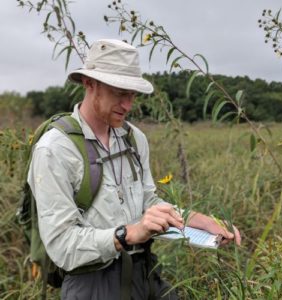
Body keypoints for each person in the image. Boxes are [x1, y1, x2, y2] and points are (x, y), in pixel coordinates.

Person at [28, 39, 241, 300]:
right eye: (119, 92)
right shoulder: (54, 149)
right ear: (89, 84)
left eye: (132, 94)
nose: (128, 105)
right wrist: (129, 233)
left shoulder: (133, 138)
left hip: (145, 272)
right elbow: (62, 245)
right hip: (92, 284)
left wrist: (202, 222)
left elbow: (148, 202)